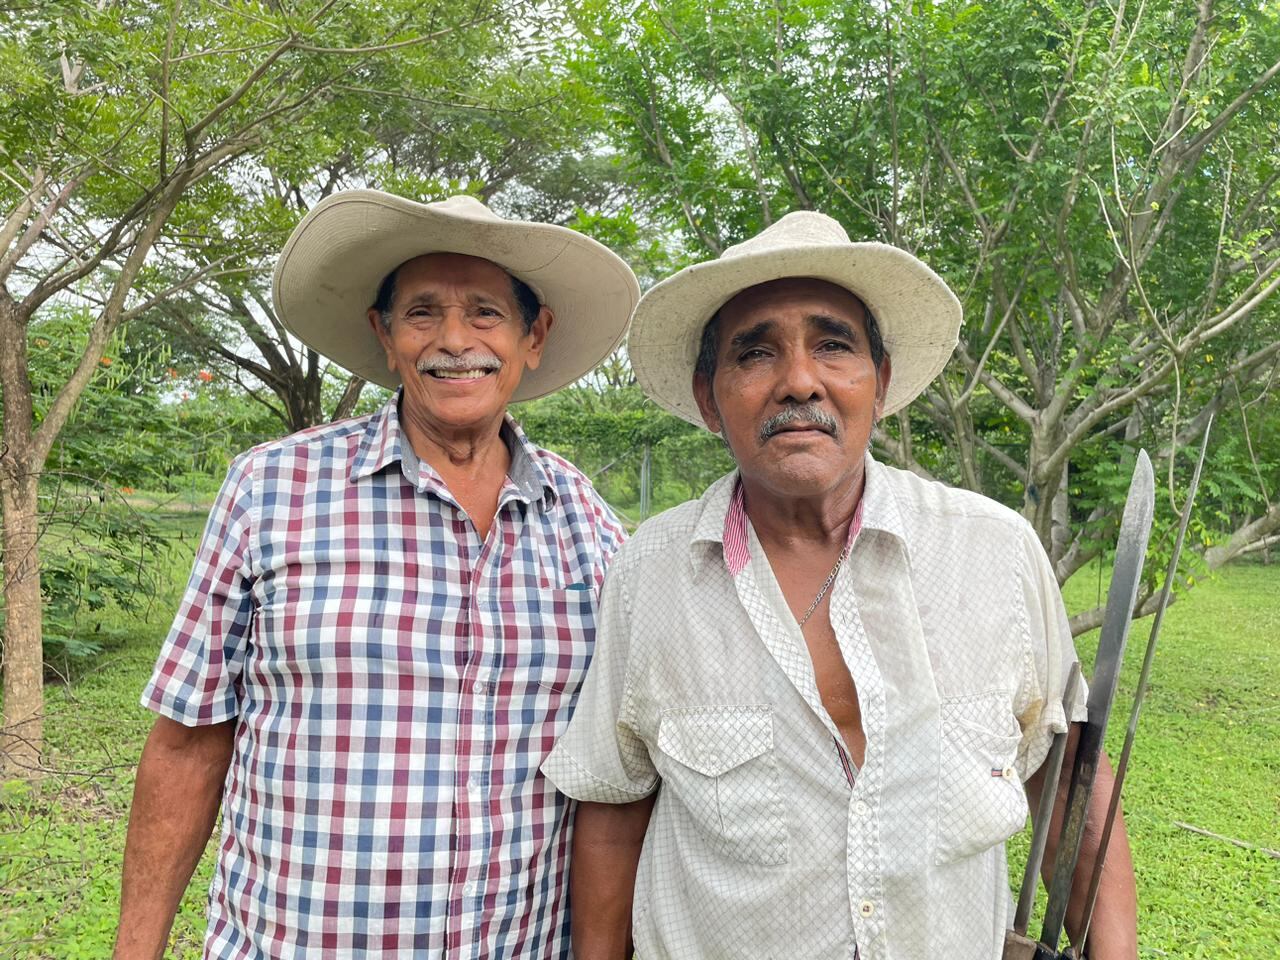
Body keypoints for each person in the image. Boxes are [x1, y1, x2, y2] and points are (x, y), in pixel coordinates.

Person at [542, 211, 1139, 960]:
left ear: (880, 382)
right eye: (755, 353)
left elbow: (1069, 789)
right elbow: (614, 799)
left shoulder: (995, 552)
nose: (799, 380)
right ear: (707, 396)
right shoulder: (651, 572)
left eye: (833, 345)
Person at [114, 190, 639, 959]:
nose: (455, 339)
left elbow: (616, 770)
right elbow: (189, 742)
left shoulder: (585, 520)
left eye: (487, 313)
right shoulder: (273, 489)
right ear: (385, 336)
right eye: (422, 313)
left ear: (535, 336)